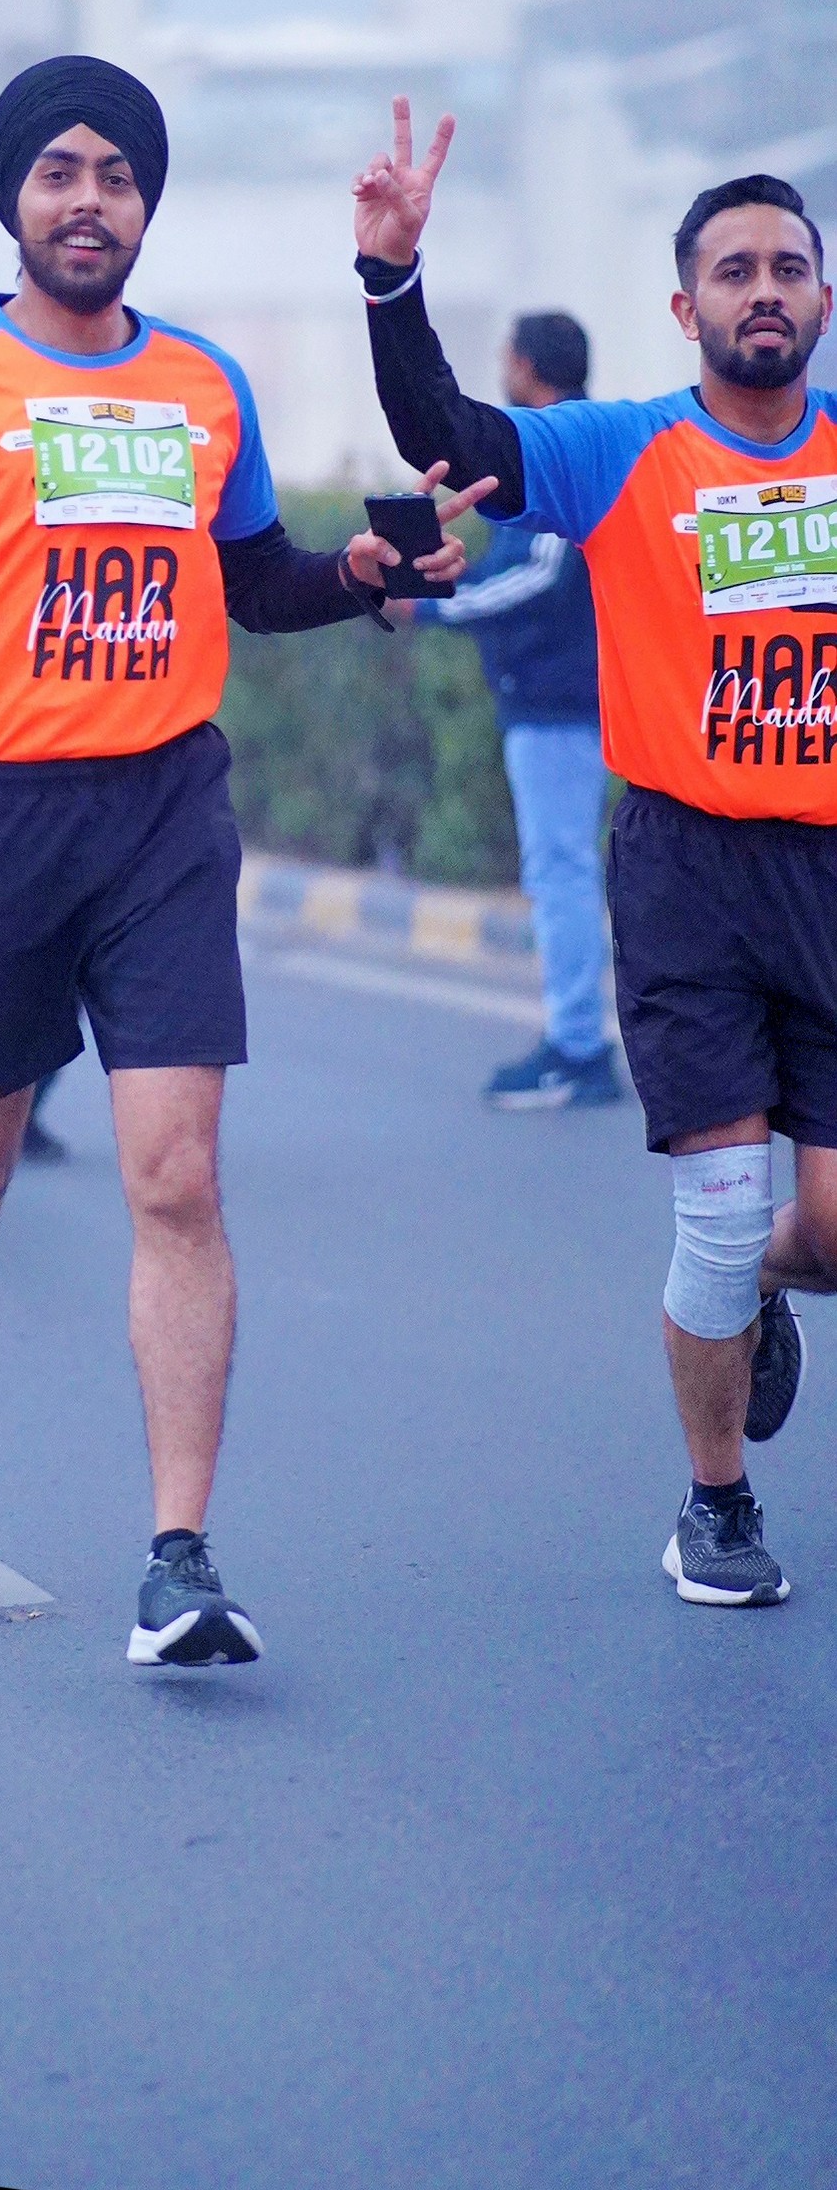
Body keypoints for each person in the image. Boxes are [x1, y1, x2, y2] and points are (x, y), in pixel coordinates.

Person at [0, 54, 482, 1661]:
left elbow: (253, 580)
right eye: (60, 172)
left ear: (146, 205)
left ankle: (178, 1558)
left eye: (118, 176)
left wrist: (359, 573)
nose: (90, 201)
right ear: (14, 200)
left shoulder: (202, 384)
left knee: (175, 1176)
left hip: (159, 812)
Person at [353, 100, 837, 1613]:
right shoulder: (621, 449)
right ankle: (716, 1505)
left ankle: (762, 1285)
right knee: (714, 1210)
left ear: (822, 297)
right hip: (687, 874)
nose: (764, 291)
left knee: (817, 1233)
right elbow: (447, 437)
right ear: (684, 309)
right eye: (733, 271)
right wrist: (390, 279)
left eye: (789, 267)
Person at [398, 311, 618, 1110]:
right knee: (560, 869)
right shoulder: (561, 442)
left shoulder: (566, 446)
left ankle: (578, 1048)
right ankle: (575, 1040)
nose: (500, 369)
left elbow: (540, 577)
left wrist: (429, 607)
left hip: (561, 702)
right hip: (554, 698)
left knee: (561, 873)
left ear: (527, 366)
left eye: (505, 357)